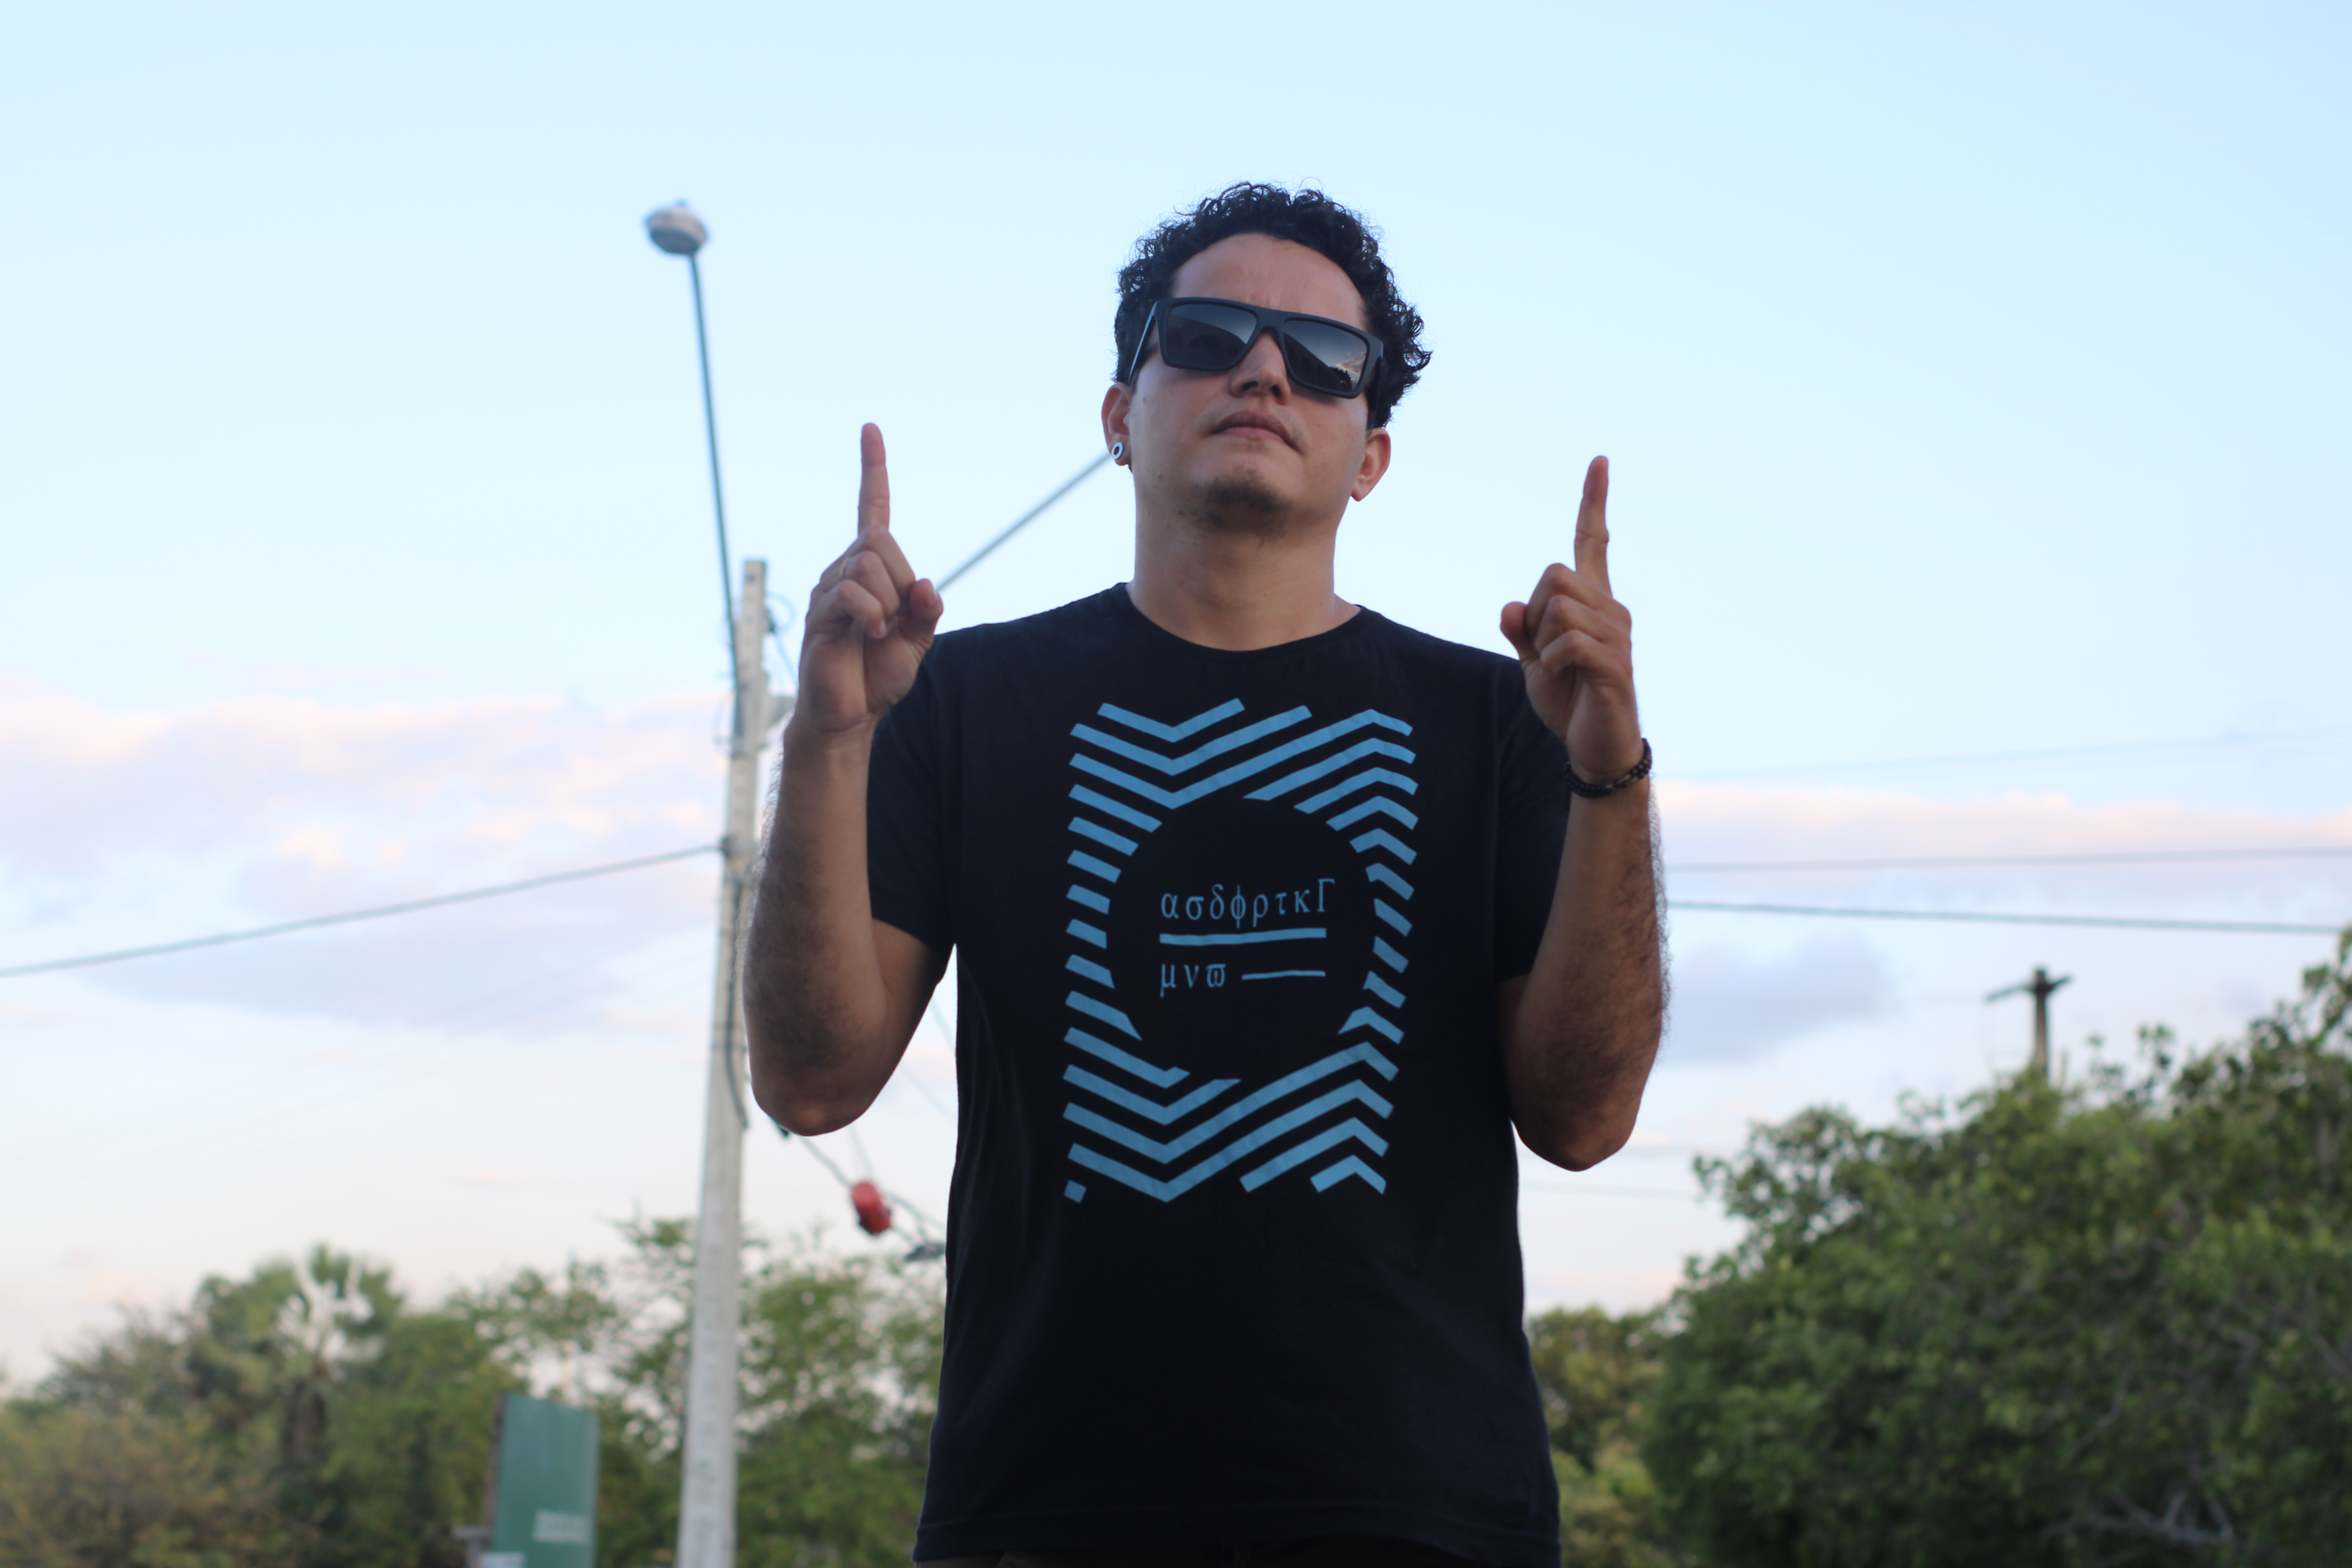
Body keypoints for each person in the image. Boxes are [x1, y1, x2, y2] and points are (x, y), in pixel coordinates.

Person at [744, 183, 1665, 1568]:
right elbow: (812, 1083)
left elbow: (1585, 1119)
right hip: (1044, 1517)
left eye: (1325, 358)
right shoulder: (950, 698)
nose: (1265, 371)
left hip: (1421, 1520)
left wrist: (1611, 772)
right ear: (1121, 415)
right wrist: (825, 741)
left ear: (1371, 455)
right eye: (1208, 336)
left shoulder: (1508, 718)